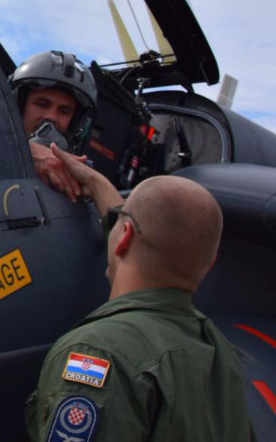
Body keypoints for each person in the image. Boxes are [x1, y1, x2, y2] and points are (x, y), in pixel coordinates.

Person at [24, 148, 255, 441]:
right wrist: (95, 182)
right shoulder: (216, 348)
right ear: (209, 263)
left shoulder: (96, 354)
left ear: (125, 236)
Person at [9, 50, 97, 202]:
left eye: (64, 111)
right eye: (42, 104)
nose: (51, 117)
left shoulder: (82, 185)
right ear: (19, 106)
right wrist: (24, 150)